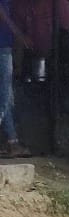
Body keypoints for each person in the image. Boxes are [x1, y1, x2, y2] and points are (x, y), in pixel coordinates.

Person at [0, 0, 28, 158]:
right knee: (4, 97)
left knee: (7, 97)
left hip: (4, 47)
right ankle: (12, 142)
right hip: (2, 48)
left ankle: (12, 141)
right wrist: (18, 33)